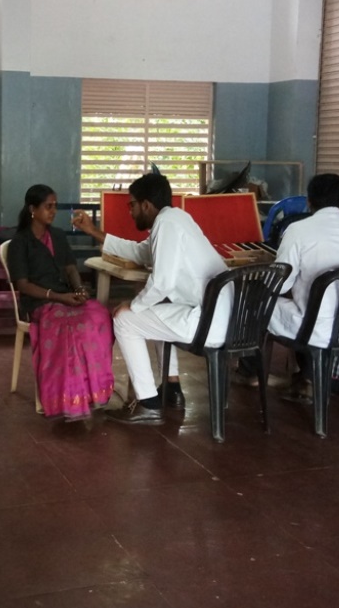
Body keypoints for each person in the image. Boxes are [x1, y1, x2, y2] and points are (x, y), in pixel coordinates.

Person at [73, 173, 230, 425]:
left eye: (132, 205)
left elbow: (161, 283)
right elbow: (140, 252)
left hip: (207, 321)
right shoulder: (176, 218)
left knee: (125, 320)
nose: (130, 211)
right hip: (218, 315)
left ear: (146, 205)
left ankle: (148, 403)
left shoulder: (166, 224)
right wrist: (93, 231)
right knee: (153, 308)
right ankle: (172, 389)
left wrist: (132, 305)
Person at [238, 173, 339, 399]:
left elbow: (280, 283)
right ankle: (306, 379)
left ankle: (252, 373)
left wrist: (267, 275)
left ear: (309, 201)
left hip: (315, 328)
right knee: (312, 305)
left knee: (254, 300)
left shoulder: (298, 230)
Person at [7, 185, 115, 420]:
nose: (53, 211)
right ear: (32, 209)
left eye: (55, 206)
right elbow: (23, 285)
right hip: (39, 302)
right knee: (70, 326)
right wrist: (58, 297)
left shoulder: (57, 235)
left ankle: (94, 391)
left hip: (65, 296)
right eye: (48, 206)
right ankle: (68, 399)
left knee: (99, 315)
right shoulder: (20, 243)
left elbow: (70, 267)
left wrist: (78, 289)